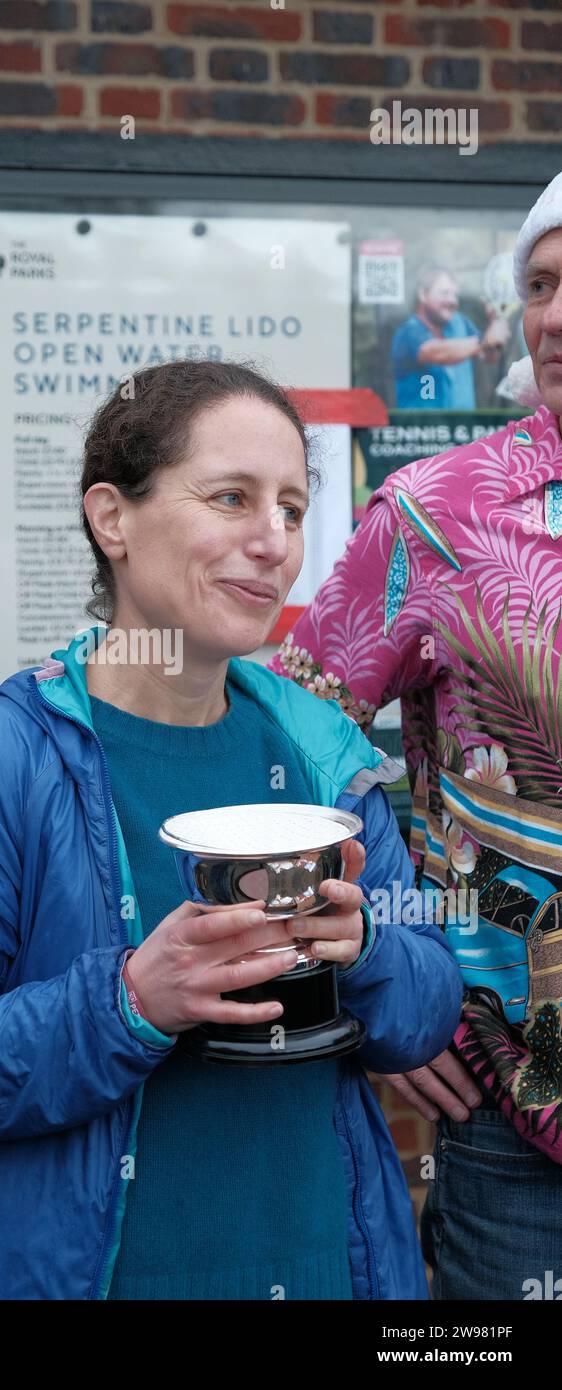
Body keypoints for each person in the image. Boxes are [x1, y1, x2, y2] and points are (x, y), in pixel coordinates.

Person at [0, 360, 462, 1301]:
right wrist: (129, 1002)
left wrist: (368, 949)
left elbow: (423, 1012)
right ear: (112, 518)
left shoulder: (326, 751)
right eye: (231, 498)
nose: (273, 542)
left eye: (292, 509)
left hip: (326, 1270)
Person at [271, 171, 562, 1300]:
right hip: (519, 1101)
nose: (553, 315)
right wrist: (388, 980)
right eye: (540, 283)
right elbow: (288, 744)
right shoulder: (438, 512)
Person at [390, 264, 509, 409]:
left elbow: (489, 357)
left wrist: (494, 325)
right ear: (423, 295)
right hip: (418, 428)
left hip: (461, 428)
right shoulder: (408, 331)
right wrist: (486, 340)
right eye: (445, 293)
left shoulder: (460, 323)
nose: (453, 301)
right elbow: (434, 352)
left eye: (454, 295)